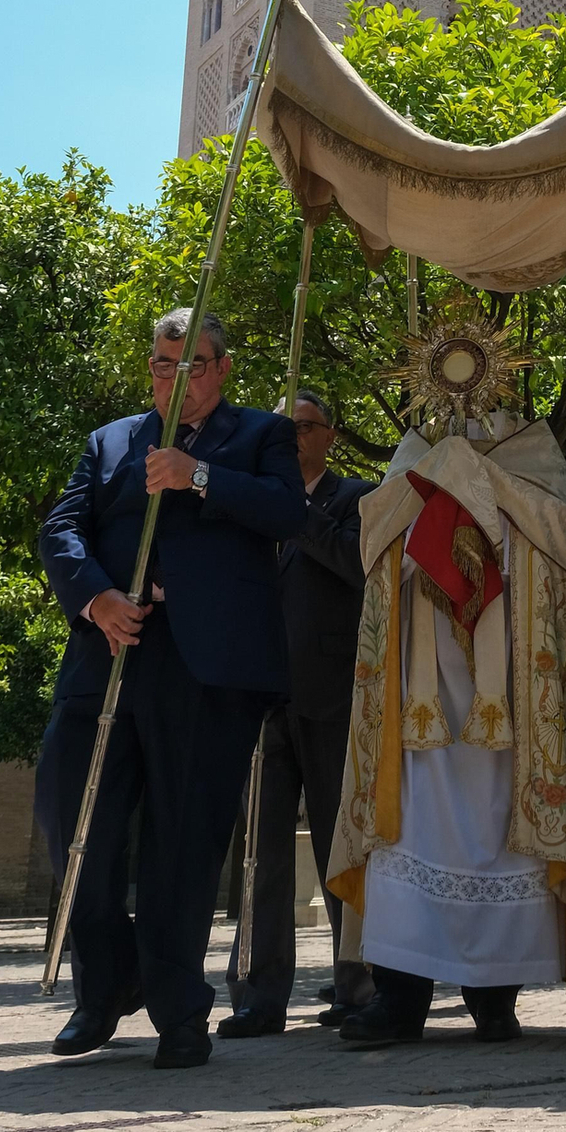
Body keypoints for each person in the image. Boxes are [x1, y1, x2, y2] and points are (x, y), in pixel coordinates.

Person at [35, 308, 304, 1068]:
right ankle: (108, 981)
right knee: (71, 819)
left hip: (206, 670)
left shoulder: (261, 435)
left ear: (221, 368)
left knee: (183, 846)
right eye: (160, 363)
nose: (171, 379)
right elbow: (61, 529)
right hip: (108, 656)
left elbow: (290, 512)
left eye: (188, 365)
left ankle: (178, 1008)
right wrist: (97, 598)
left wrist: (201, 476)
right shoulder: (109, 440)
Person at [327, 416, 566, 1046]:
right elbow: (373, 544)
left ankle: (495, 998)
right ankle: (399, 998)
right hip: (424, 696)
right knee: (408, 824)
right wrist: (435, 491)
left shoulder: (531, 452)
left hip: (512, 692)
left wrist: (487, 495)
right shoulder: (415, 451)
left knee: (508, 829)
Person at [220, 393, 377, 1037]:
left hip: (332, 691)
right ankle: (260, 993)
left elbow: (357, 564)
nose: (288, 437)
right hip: (260, 692)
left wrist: (296, 511)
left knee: (343, 844)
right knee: (261, 851)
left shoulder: (357, 497)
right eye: (280, 427)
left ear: (329, 436)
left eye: (302, 427)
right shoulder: (248, 501)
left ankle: (357, 986)